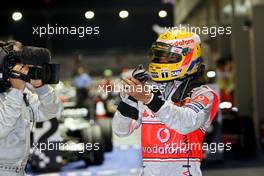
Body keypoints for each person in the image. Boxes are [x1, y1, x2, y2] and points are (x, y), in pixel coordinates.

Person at [112, 30, 219, 176]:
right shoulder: (150, 92)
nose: (160, 62)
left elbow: (185, 123)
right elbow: (120, 130)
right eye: (158, 56)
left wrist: (149, 99)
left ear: (187, 57)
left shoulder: (204, 94)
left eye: (167, 57)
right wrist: (130, 98)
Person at [0, 42, 62, 176]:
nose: (20, 67)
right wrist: (16, 91)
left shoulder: (19, 94)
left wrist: (42, 88)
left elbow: (52, 111)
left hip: (20, 170)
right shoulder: (16, 93)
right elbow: (1, 130)